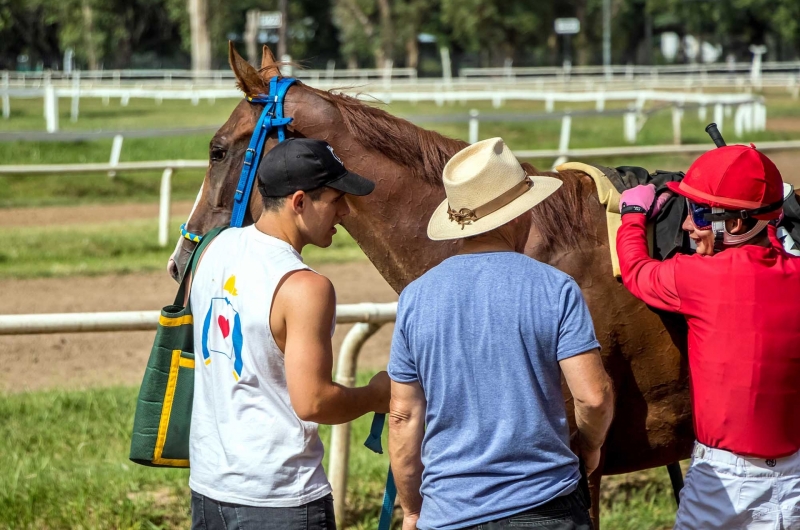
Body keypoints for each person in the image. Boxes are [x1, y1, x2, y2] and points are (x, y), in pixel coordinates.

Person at [388, 137, 615, 530]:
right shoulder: (555, 288)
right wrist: (590, 446)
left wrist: (411, 509)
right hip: (546, 504)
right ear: (516, 215)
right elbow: (594, 397)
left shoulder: (415, 298)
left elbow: (404, 416)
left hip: (448, 512)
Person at [187, 138, 390, 530]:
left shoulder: (213, 249)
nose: (346, 212)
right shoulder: (306, 288)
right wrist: (376, 395)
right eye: (336, 200)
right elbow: (313, 402)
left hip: (209, 489)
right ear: (299, 202)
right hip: (280, 499)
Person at [616, 144, 800, 529]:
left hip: (723, 485)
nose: (687, 225)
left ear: (734, 225)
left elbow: (635, 270)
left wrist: (633, 217)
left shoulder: (695, 277)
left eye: (698, 214)